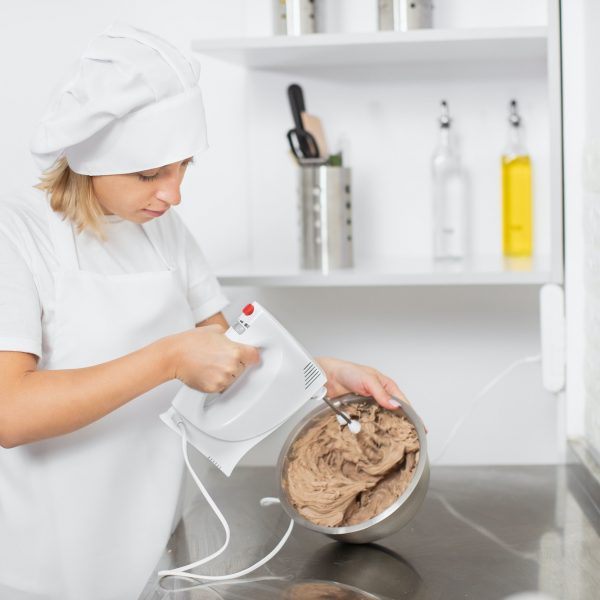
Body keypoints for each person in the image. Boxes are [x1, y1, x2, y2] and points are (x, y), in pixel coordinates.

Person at [0, 23, 406, 600]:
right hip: (38, 572)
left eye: (182, 166)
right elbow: (10, 413)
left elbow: (224, 365)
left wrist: (317, 374)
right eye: (150, 174)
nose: (173, 194)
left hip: (153, 555)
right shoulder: (15, 234)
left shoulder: (163, 230)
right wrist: (167, 358)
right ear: (88, 158)